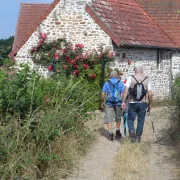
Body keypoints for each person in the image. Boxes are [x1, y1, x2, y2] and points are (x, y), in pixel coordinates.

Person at [121, 64, 153, 143]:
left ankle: (132, 132)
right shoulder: (147, 79)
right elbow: (150, 94)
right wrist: (150, 104)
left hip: (132, 102)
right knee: (141, 120)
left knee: (130, 118)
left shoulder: (130, 78)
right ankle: (138, 137)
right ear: (142, 71)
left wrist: (123, 101)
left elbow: (125, 91)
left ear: (135, 70)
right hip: (143, 103)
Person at [101, 70, 124, 141]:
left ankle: (110, 134)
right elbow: (123, 94)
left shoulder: (106, 83)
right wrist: (123, 102)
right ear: (117, 76)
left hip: (109, 103)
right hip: (118, 103)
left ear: (110, 76)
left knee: (109, 118)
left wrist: (102, 102)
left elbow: (103, 94)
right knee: (118, 117)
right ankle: (117, 131)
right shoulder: (121, 83)